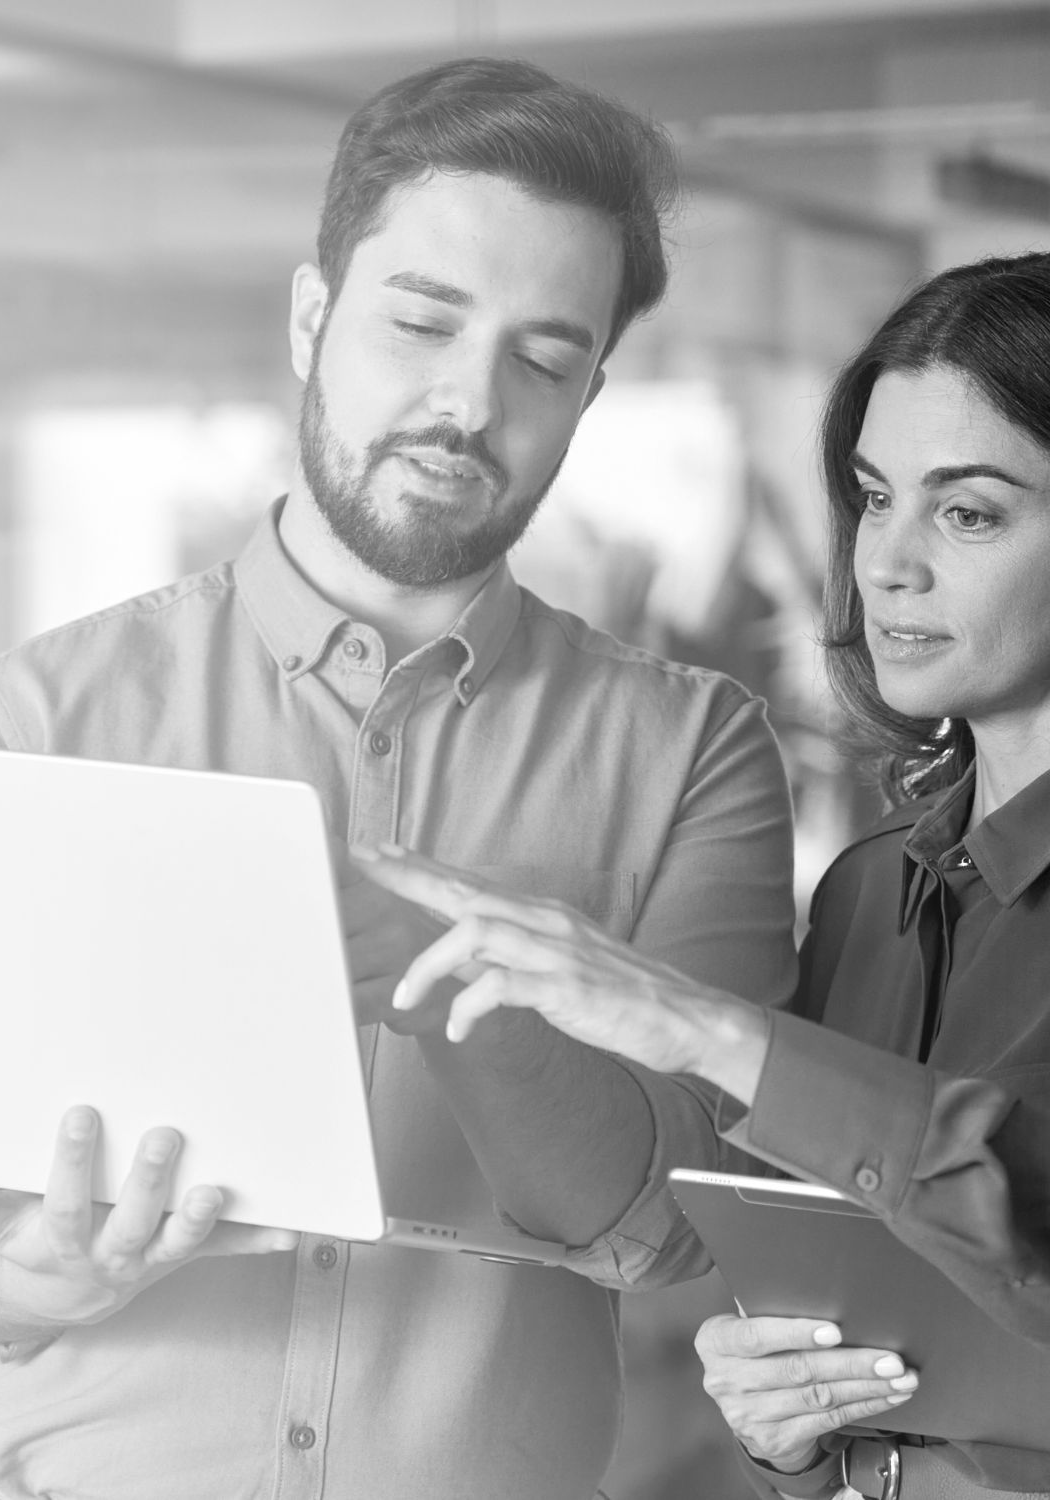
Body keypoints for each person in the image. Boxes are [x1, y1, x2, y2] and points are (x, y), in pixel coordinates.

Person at [0, 59, 802, 1500]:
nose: (467, 403)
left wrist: (449, 974)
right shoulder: (39, 715)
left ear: (590, 394)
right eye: (420, 323)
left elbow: (668, 1227)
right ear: (310, 320)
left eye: (542, 362)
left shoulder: (690, 751)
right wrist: (16, 1279)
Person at [359, 252, 1050, 1498]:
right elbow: (863, 1329)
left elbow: (1020, 1218)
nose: (885, 563)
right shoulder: (866, 895)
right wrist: (786, 1427)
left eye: (967, 513)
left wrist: (701, 1027)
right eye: (872, 498)